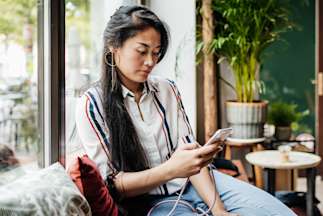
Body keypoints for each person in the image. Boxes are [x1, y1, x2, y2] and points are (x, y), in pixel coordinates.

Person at [75, 5, 296, 216]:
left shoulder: (167, 89)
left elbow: (190, 158)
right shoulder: (92, 104)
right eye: (142, 51)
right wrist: (171, 169)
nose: (150, 61)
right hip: (147, 201)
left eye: (156, 52)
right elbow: (111, 185)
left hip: (195, 183)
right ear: (114, 47)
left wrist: (218, 209)